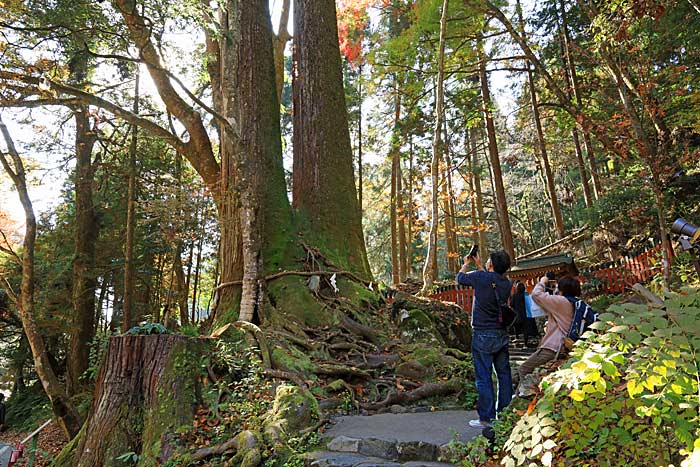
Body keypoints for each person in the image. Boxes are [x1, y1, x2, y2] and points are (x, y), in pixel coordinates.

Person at [457, 250, 513, 428]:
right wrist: (482, 266)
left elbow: (460, 278)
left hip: (482, 334)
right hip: (501, 333)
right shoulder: (506, 283)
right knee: (504, 375)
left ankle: (486, 418)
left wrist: (466, 263)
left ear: (491, 265)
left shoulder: (481, 277)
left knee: (483, 376)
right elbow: (491, 282)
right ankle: (504, 415)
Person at [512, 275, 579, 393]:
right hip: (561, 346)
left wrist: (542, 281)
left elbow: (536, 295)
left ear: (563, 289)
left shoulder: (562, 301)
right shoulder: (573, 303)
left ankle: (521, 399)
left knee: (524, 369)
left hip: (552, 348)